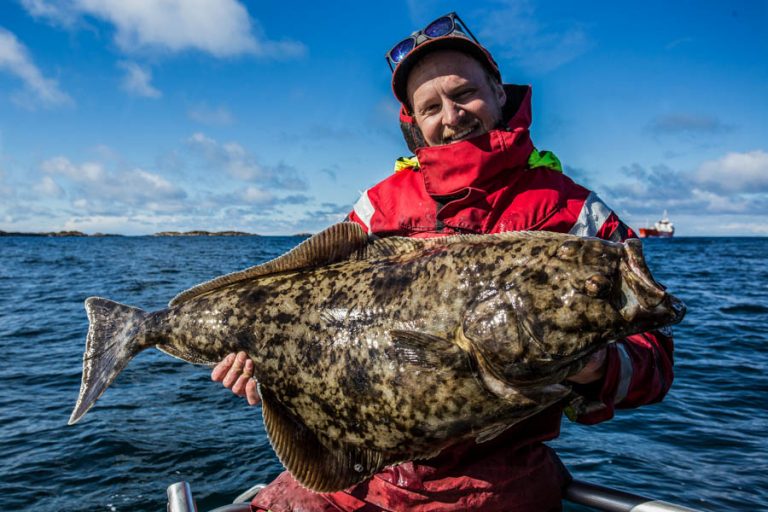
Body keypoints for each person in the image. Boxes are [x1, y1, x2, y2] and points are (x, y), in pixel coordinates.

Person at [212, 12, 674, 512]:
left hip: (493, 485)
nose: (451, 116)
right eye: (431, 106)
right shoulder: (378, 205)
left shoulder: (572, 211)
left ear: (499, 92)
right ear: (413, 121)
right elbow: (315, 311)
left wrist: (593, 366)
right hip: (360, 479)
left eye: (463, 94)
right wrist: (273, 374)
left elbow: (654, 362)